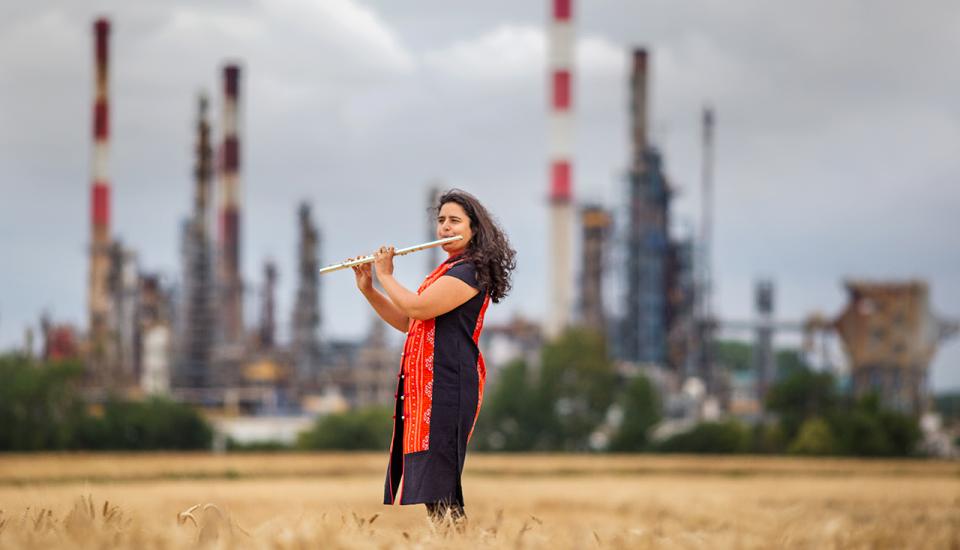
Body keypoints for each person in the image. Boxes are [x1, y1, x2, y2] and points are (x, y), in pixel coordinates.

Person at [349, 189, 516, 524]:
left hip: (448, 387)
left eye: (454, 220)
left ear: (473, 229)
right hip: (431, 390)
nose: (444, 227)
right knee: (434, 491)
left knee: (441, 490)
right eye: (441, 221)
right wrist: (369, 289)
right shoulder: (446, 270)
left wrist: (386, 276)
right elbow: (409, 322)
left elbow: (417, 307)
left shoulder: (469, 271)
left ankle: (460, 543)